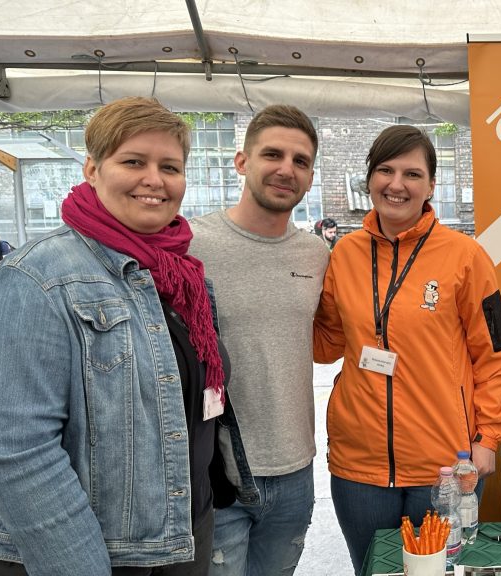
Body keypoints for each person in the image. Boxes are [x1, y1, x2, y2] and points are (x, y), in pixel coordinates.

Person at [0, 96, 258, 575]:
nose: (154, 179)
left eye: (170, 167)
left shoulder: (181, 277)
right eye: (133, 162)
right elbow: (17, 456)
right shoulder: (37, 279)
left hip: (182, 535)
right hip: (91, 554)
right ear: (92, 169)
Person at [312, 125, 501, 575]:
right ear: (369, 179)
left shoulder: (466, 256)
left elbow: (494, 353)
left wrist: (488, 438)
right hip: (358, 464)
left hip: (444, 466)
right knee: (373, 570)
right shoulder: (344, 255)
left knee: (439, 572)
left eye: (412, 174)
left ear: (431, 186)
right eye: (385, 170)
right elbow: (326, 345)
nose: (396, 184)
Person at [188, 104, 327, 576]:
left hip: (296, 469)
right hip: (217, 473)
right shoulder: (190, 244)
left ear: (310, 177)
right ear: (242, 161)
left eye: (300, 161)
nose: (287, 169)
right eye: (273, 154)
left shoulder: (316, 253)